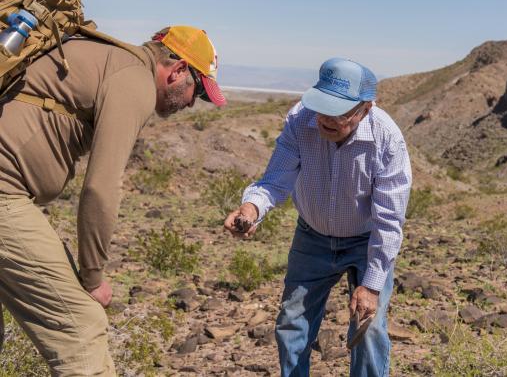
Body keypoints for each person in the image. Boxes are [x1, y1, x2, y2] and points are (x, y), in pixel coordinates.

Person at [0, 25, 225, 376]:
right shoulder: (133, 79)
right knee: (81, 326)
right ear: (178, 70)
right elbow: (101, 188)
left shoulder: (108, 59)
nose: (194, 102)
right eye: (199, 91)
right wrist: (92, 279)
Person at [224, 57, 412, 376]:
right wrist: (251, 209)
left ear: (364, 108)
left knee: (369, 327)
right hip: (312, 238)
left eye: (338, 112)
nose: (325, 118)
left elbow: (388, 222)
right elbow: (276, 179)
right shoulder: (300, 119)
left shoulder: (387, 139)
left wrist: (371, 286)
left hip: (367, 243)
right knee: (291, 323)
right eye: (322, 106)